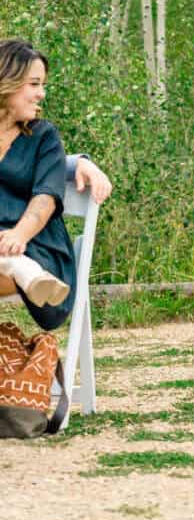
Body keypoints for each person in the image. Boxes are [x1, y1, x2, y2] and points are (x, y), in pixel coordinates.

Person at [0, 38, 111, 331]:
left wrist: (19, 236)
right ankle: (16, 267)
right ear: (6, 82)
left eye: (42, 84)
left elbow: (46, 197)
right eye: (34, 84)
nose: (42, 94)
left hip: (35, 245)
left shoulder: (44, 137)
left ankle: (18, 264)